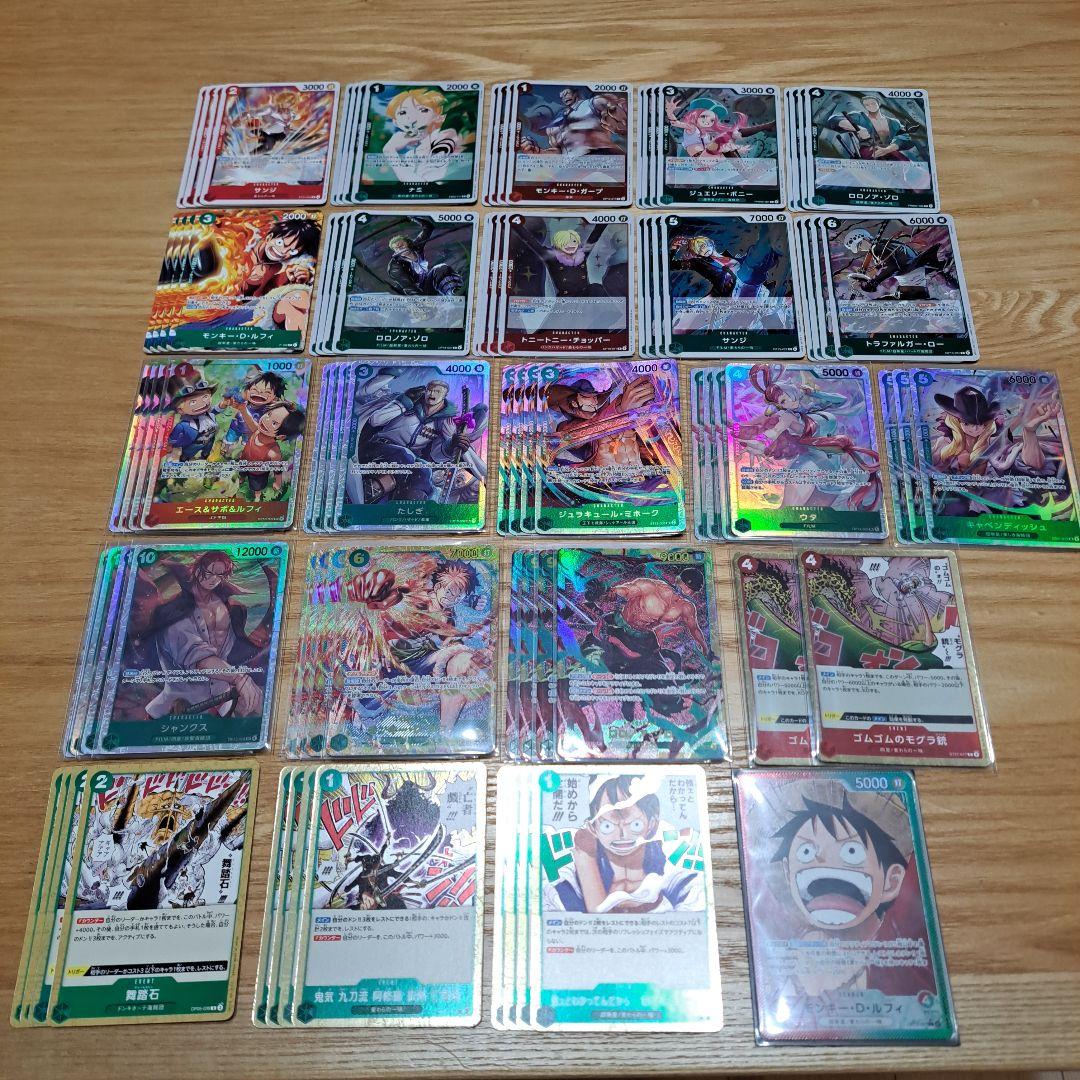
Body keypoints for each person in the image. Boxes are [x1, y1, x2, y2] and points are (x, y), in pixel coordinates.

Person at [548, 775, 703, 913]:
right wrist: (586, 859)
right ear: (593, 827)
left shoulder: (671, 866)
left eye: (635, 825)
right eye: (608, 826)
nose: (622, 835)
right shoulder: (571, 875)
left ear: (652, 823)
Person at [842, 228, 957, 300]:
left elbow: (891, 267)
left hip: (911, 277)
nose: (861, 249)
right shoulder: (883, 245)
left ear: (865, 239)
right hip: (912, 277)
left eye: (859, 245)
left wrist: (872, 282)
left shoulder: (877, 247)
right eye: (858, 248)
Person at [824, 94, 917, 161]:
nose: (871, 106)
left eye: (873, 103)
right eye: (867, 105)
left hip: (892, 153)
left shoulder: (893, 122)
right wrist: (857, 128)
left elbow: (908, 138)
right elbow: (833, 120)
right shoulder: (859, 117)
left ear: (878, 104)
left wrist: (888, 149)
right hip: (868, 153)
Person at [385, 218, 463, 296]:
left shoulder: (416, 246)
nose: (400, 249)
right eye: (397, 248)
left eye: (401, 245)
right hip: (414, 293)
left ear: (408, 243)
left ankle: (453, 293)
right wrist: (423, 301)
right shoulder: (394, 266)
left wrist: (413, 217)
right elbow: (409, 287)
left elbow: (428, 227)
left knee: (442, 268)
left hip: (427, 284)